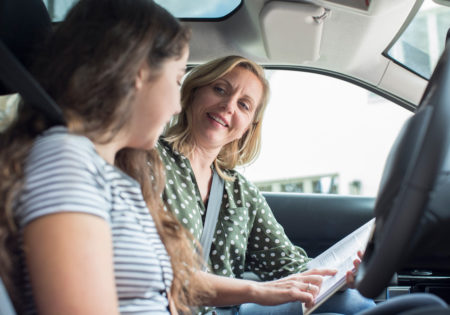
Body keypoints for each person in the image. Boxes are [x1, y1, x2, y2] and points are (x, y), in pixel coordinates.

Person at [0, 0, 210, 314]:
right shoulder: (66, 159)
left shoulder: (110, 171)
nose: (178, 107)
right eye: (178, 79)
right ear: (140, 72)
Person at [158, 55, 375, 314]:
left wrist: (341, 277)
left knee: (352, 304)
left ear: (248, 128)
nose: (228, 106)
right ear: (193, 93)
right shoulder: (150, 161)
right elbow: (156, 273)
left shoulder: (241, 193)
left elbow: (291, 269)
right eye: (219, 89)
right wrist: (257, 292)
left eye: (244, 105)